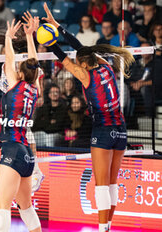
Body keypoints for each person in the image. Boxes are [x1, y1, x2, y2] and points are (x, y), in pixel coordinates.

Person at [42, 3, 135, 231]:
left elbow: (62, 55)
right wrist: (59, 28)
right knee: (111, 184)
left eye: (78, 62)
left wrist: (48, 40)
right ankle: (108, 226)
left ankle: (103, 229)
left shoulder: (85, 75)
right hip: (121, 130)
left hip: (103, 131)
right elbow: (82, 48)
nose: (76, 64)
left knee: (102, 185)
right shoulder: (105, 65)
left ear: (83, 64)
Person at [0, 14, 41, 232]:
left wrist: (8, 38)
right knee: (26, 208)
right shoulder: (35, 88)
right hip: (28, 155)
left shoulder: (15, 84)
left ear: (21, 73)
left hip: (12, 148)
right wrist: (30, 36)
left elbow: (9, 58)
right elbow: (34, 63)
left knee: (2, 208)